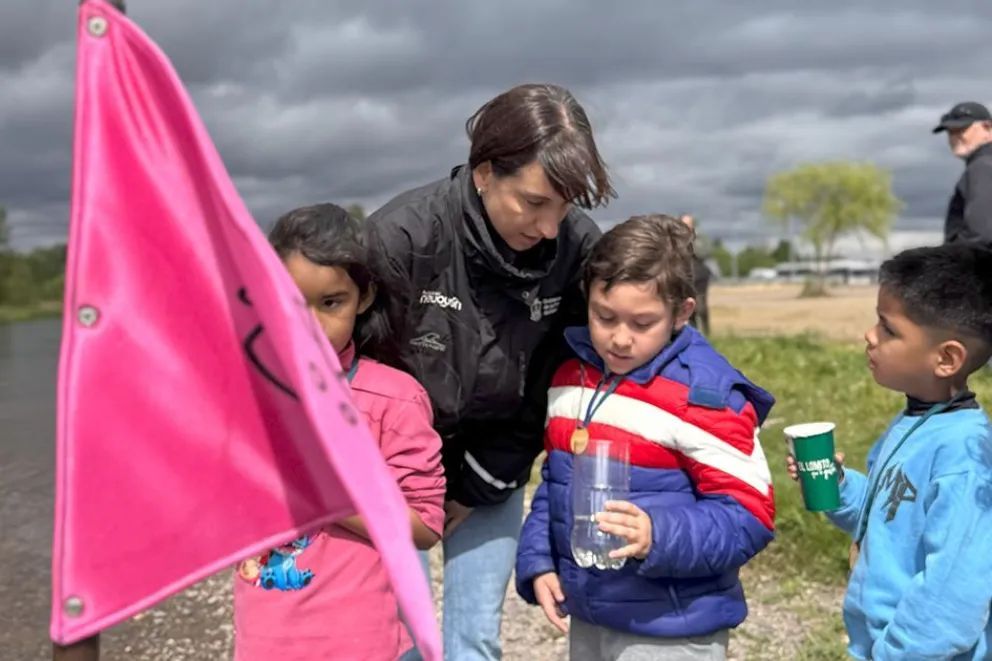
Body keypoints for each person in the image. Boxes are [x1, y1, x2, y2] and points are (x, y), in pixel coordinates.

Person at [366, 83, 615, 660]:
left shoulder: (578, 250)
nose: (550, 227)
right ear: (484, 173)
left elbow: (563, 378)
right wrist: (407, 485)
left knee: (474, 636)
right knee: (397, 637)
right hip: (396, 474)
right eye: (533, 203)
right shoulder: (399, 238)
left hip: (494, 471)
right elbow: (360, 379)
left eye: (565, 206)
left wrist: (484, 480)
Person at [516, 215, 776, 661]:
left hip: (672, 629)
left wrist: (659, 534)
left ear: (682, 314)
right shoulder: (571, 377)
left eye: (642, 323)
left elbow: (750, 514)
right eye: (604, 316)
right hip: (590, 617)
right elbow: (556, 480)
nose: (619, 338)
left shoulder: (705, 396)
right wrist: (539, 561)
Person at [233, 204, 446, 661]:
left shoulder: (393, 399)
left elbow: (425, 524)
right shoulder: (248, 398)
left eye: (331, 303)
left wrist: (321, 490)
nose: (310, 324)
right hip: (261, 645)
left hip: (361, 645)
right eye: (290, 304)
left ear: (363, 297)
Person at [787, 243, 992, 659]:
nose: (870, 336)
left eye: (888, 329)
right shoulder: (918, 421)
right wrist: (839, 486)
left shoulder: (965, 462)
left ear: (947, 358)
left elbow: (952, 597)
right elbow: (890, 519)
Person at [932, 101, 992, 245]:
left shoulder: (983, 166)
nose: (955, 137)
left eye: (962, 129)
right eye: (950, 132)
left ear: (988, 128)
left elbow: (980, 235)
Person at [680, 214, 713, 335]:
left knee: (701, 306)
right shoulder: (677, 239)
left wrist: (691, 242)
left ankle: (707, 332)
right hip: (685, 275)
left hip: (700, 274)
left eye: (689, 223)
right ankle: (694, 332)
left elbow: (704, 252)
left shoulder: (700, 238)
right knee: (689, 306)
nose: (687, 226)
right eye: (684, 223)